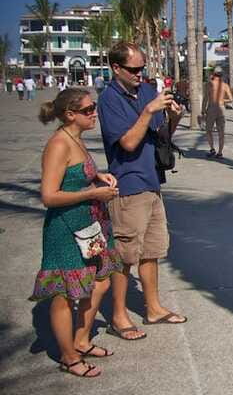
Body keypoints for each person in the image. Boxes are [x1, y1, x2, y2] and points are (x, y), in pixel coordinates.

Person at [31, 88, 124, 377]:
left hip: (88, 225)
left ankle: (81, 339)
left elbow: (76, 172)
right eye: (87, 110)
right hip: (65, 228)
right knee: (63, 294)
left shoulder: (75, 138)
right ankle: (69, 357)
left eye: (93, 107)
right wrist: (92, 193)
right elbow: (49, 195)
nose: (94, 112)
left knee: (100, 282)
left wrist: (98, 176)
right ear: (70, 115)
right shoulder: (59, 143)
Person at [97, 41, 187, 341]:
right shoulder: (109, 99)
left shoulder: (147, 90)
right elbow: (128, 143)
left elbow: (163, 136)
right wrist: (148, 111)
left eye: (142, 68)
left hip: (152, 182)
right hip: (128, 185)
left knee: (151, 251)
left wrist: (175, 116)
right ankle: (119, 316)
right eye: (134, 69)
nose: (139, 74)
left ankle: (153, 308)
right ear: (116, 68)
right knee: (125, 255)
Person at [202, 66, 233, 158]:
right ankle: (220, 153)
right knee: (221, 132)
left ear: (213, 74)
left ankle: (212, 149)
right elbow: (231, 99)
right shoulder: (225, 85)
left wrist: (203, 110)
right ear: (221, 75)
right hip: (221, 108)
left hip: (211, 108)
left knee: (208, 130)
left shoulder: (209, 84)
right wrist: (223, 101)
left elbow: (205, 99)